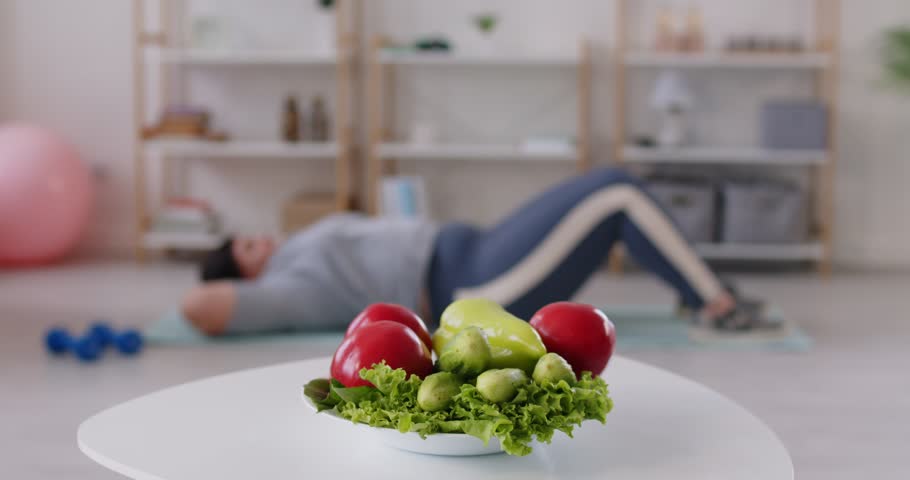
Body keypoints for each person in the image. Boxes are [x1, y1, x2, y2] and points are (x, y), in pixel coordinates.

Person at [183, 168, 767, 336]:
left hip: (474, 249)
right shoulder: (291, 286)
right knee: (616, 193)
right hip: (471, 287)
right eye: (248, 249)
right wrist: (247, 291)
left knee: (610, 198)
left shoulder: (300, 250)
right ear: (244, 274)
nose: (263, 240)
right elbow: (201, 307)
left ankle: (700, 296)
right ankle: (716, 303)